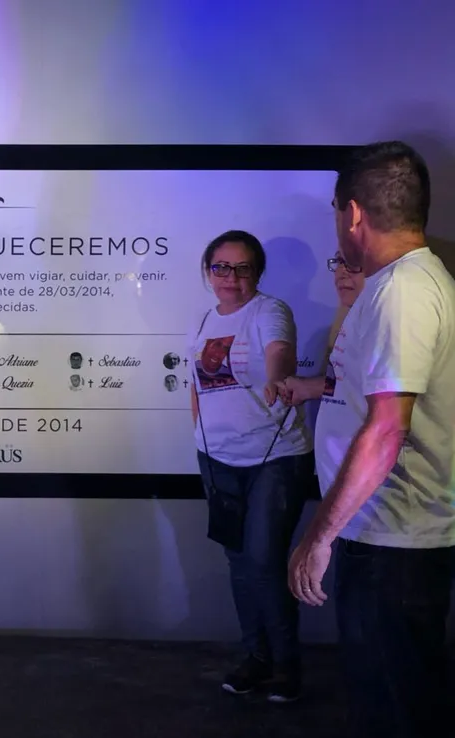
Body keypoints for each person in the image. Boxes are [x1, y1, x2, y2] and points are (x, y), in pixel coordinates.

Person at [282, 141, 455, 738]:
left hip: (391, 544)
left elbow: (386, 427)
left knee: (393, 709)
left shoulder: (402, 292)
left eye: (336, 211)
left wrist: (318, 537)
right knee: (392, 696)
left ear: (353, 213)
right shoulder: (400, 285)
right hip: (386, 538)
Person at [188, 230, 313, 703]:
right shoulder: (202, 320)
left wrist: (278, 378)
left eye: (243, 268)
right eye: (221, 267)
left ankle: (286, 665)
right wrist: (201, 433)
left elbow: (279, 352)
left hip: (273, 457)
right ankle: (256, 658)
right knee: (239, 563)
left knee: (262, 561)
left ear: (257, 273)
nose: (231, 277)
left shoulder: (269, 311)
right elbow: (195, 385)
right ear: (208, 272)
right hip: (217, 460)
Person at [277, 251, 366, 404]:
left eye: (353, 261)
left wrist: (309, 387)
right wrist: (307, 387)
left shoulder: (391, 324)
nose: (342, 272)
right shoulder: (333, 330)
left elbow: (386, 390)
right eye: (339, 261)